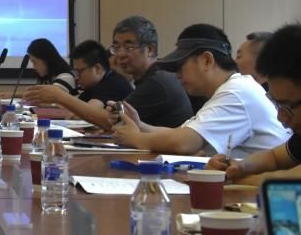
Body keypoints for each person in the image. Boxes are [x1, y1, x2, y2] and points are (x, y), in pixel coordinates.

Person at [113, 24, 289, 157]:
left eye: (180, 66)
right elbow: (180, 134)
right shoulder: (230, 89)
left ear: (206, 60)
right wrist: (140, 126)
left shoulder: (237, 93)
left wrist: (136, 138)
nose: (177, 75)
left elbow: (184, 143)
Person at [207, 23, 301, 182]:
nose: (281, 118)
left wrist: (236, 179)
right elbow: (274, 158)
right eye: (277, 104)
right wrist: (240, 167)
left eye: (288, 106)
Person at [106, 15, 193, 129]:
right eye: (116, 47)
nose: (120, 54)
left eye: (129, 47)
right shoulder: (159, 72)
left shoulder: (157, 82)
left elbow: (109, 122)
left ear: (150, 49)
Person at [23, 40, 133, 128]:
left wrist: (60, 96)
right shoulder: (91, 86)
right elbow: (75, 113)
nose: (76, 77)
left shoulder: (113, 83)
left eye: (79, 71)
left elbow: (90, 112)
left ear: (97, 68)